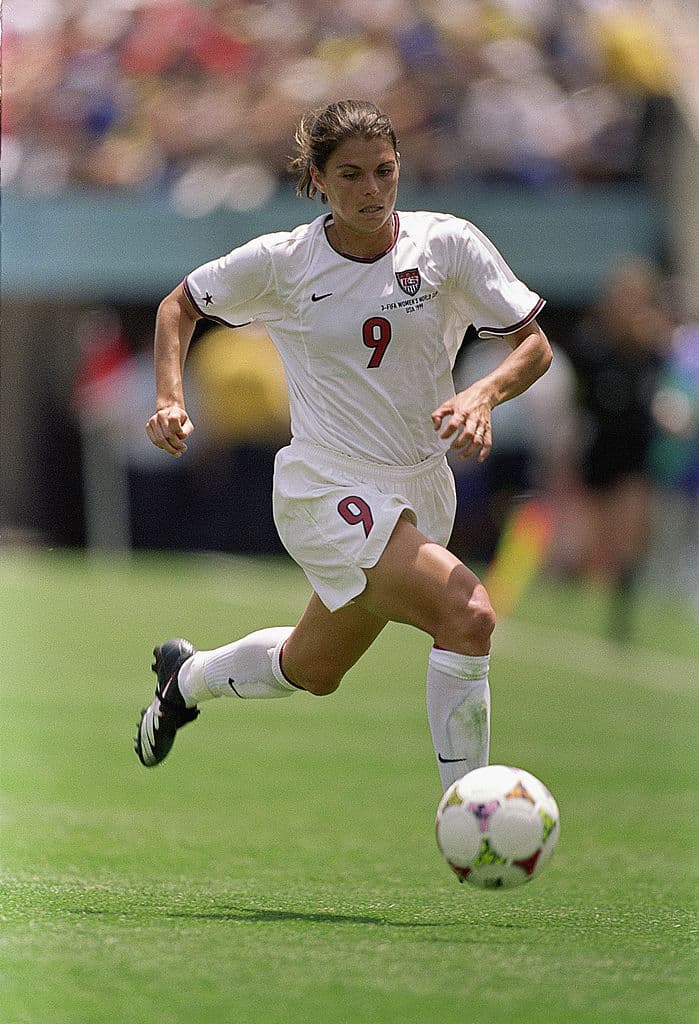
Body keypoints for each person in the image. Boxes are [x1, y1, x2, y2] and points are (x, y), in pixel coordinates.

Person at [134, 99, 552, 793]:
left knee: (313, 669)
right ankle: (469, 808)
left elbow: (531, 346)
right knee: (468, 614)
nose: (371, 190)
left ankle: (187, 678)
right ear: (318, 182)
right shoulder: (284, 262)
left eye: (384, 172)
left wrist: (482, 395)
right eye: (350, 175)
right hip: (327, 487)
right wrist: (170, 399)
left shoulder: (446, 245)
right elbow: (179, 305)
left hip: (421, 486)